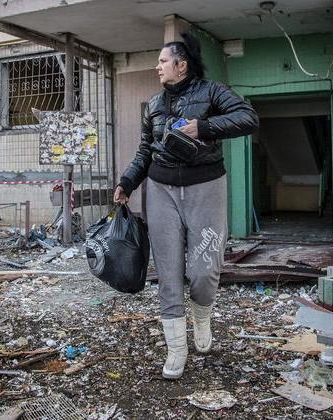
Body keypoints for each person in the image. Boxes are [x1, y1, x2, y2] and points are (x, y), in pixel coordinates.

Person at [114, 32, 259, 379]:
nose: (158, 67)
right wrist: (127, 182)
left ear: (181, 65)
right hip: (160, 189)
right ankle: (177, 350)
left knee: (204, 269)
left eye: (163, 61)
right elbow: (145, 150)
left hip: (205, 186)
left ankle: (202, 318)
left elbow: (248, 117)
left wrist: (203, 127)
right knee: (168, 273)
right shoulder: (153, 104)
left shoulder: (212, 91)